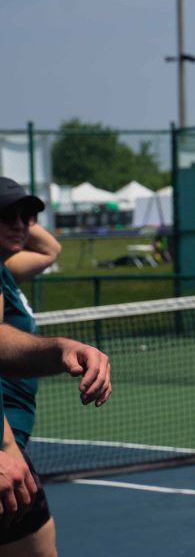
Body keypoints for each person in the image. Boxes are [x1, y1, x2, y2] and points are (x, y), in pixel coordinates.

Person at [0, 177, 113, 554]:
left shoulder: (4, 270)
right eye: (8, 215)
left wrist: (61, 349)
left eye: (28, 216)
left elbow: (51, 249)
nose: (21, 225)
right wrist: (5, 446)